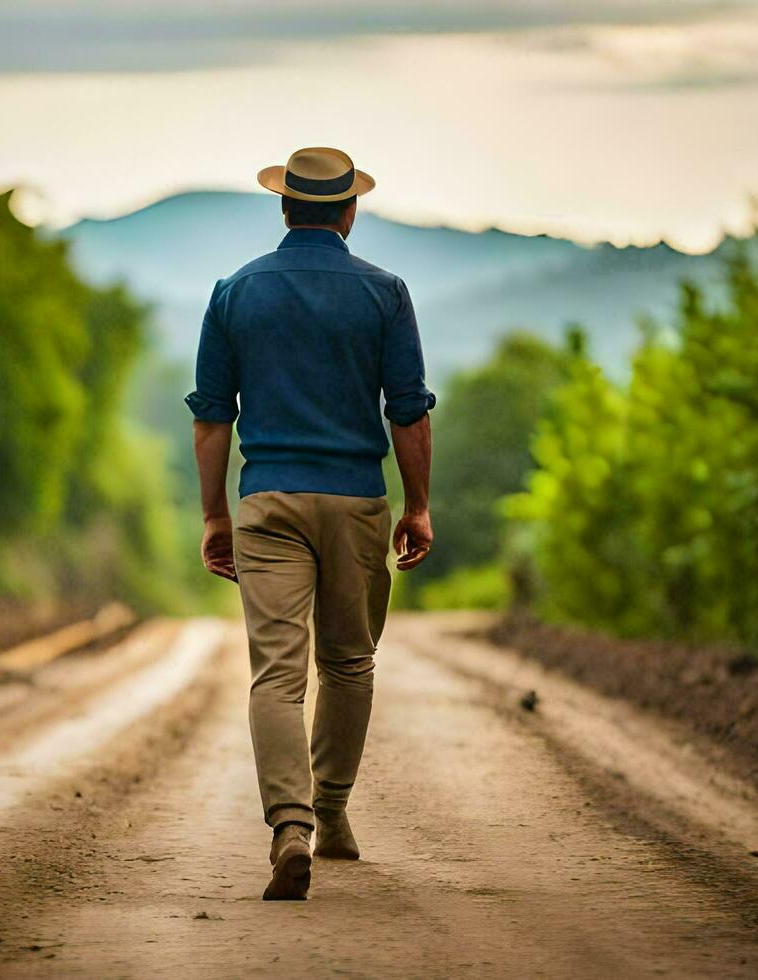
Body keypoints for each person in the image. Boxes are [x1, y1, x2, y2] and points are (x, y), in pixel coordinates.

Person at [186, 146, 436, 901]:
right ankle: (331, 813)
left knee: (277, 673)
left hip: (268, 502)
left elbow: (209, 418)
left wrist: (214, 515)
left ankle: (289, 825)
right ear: (350, 212)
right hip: (357, 499)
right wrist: (418, 504)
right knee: (350, 664)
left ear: (284, 207)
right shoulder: (385, 293)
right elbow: (409, 409)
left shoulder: (235, 292)